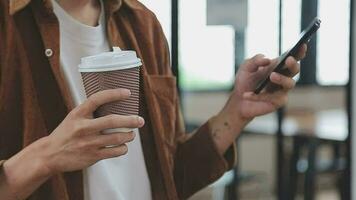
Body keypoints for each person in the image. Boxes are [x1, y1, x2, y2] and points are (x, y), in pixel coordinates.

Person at [0, 0, 307, 199]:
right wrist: (45, 157)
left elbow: (171, 176)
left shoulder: (142, 23)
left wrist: (238, 111)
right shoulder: (10, 26)